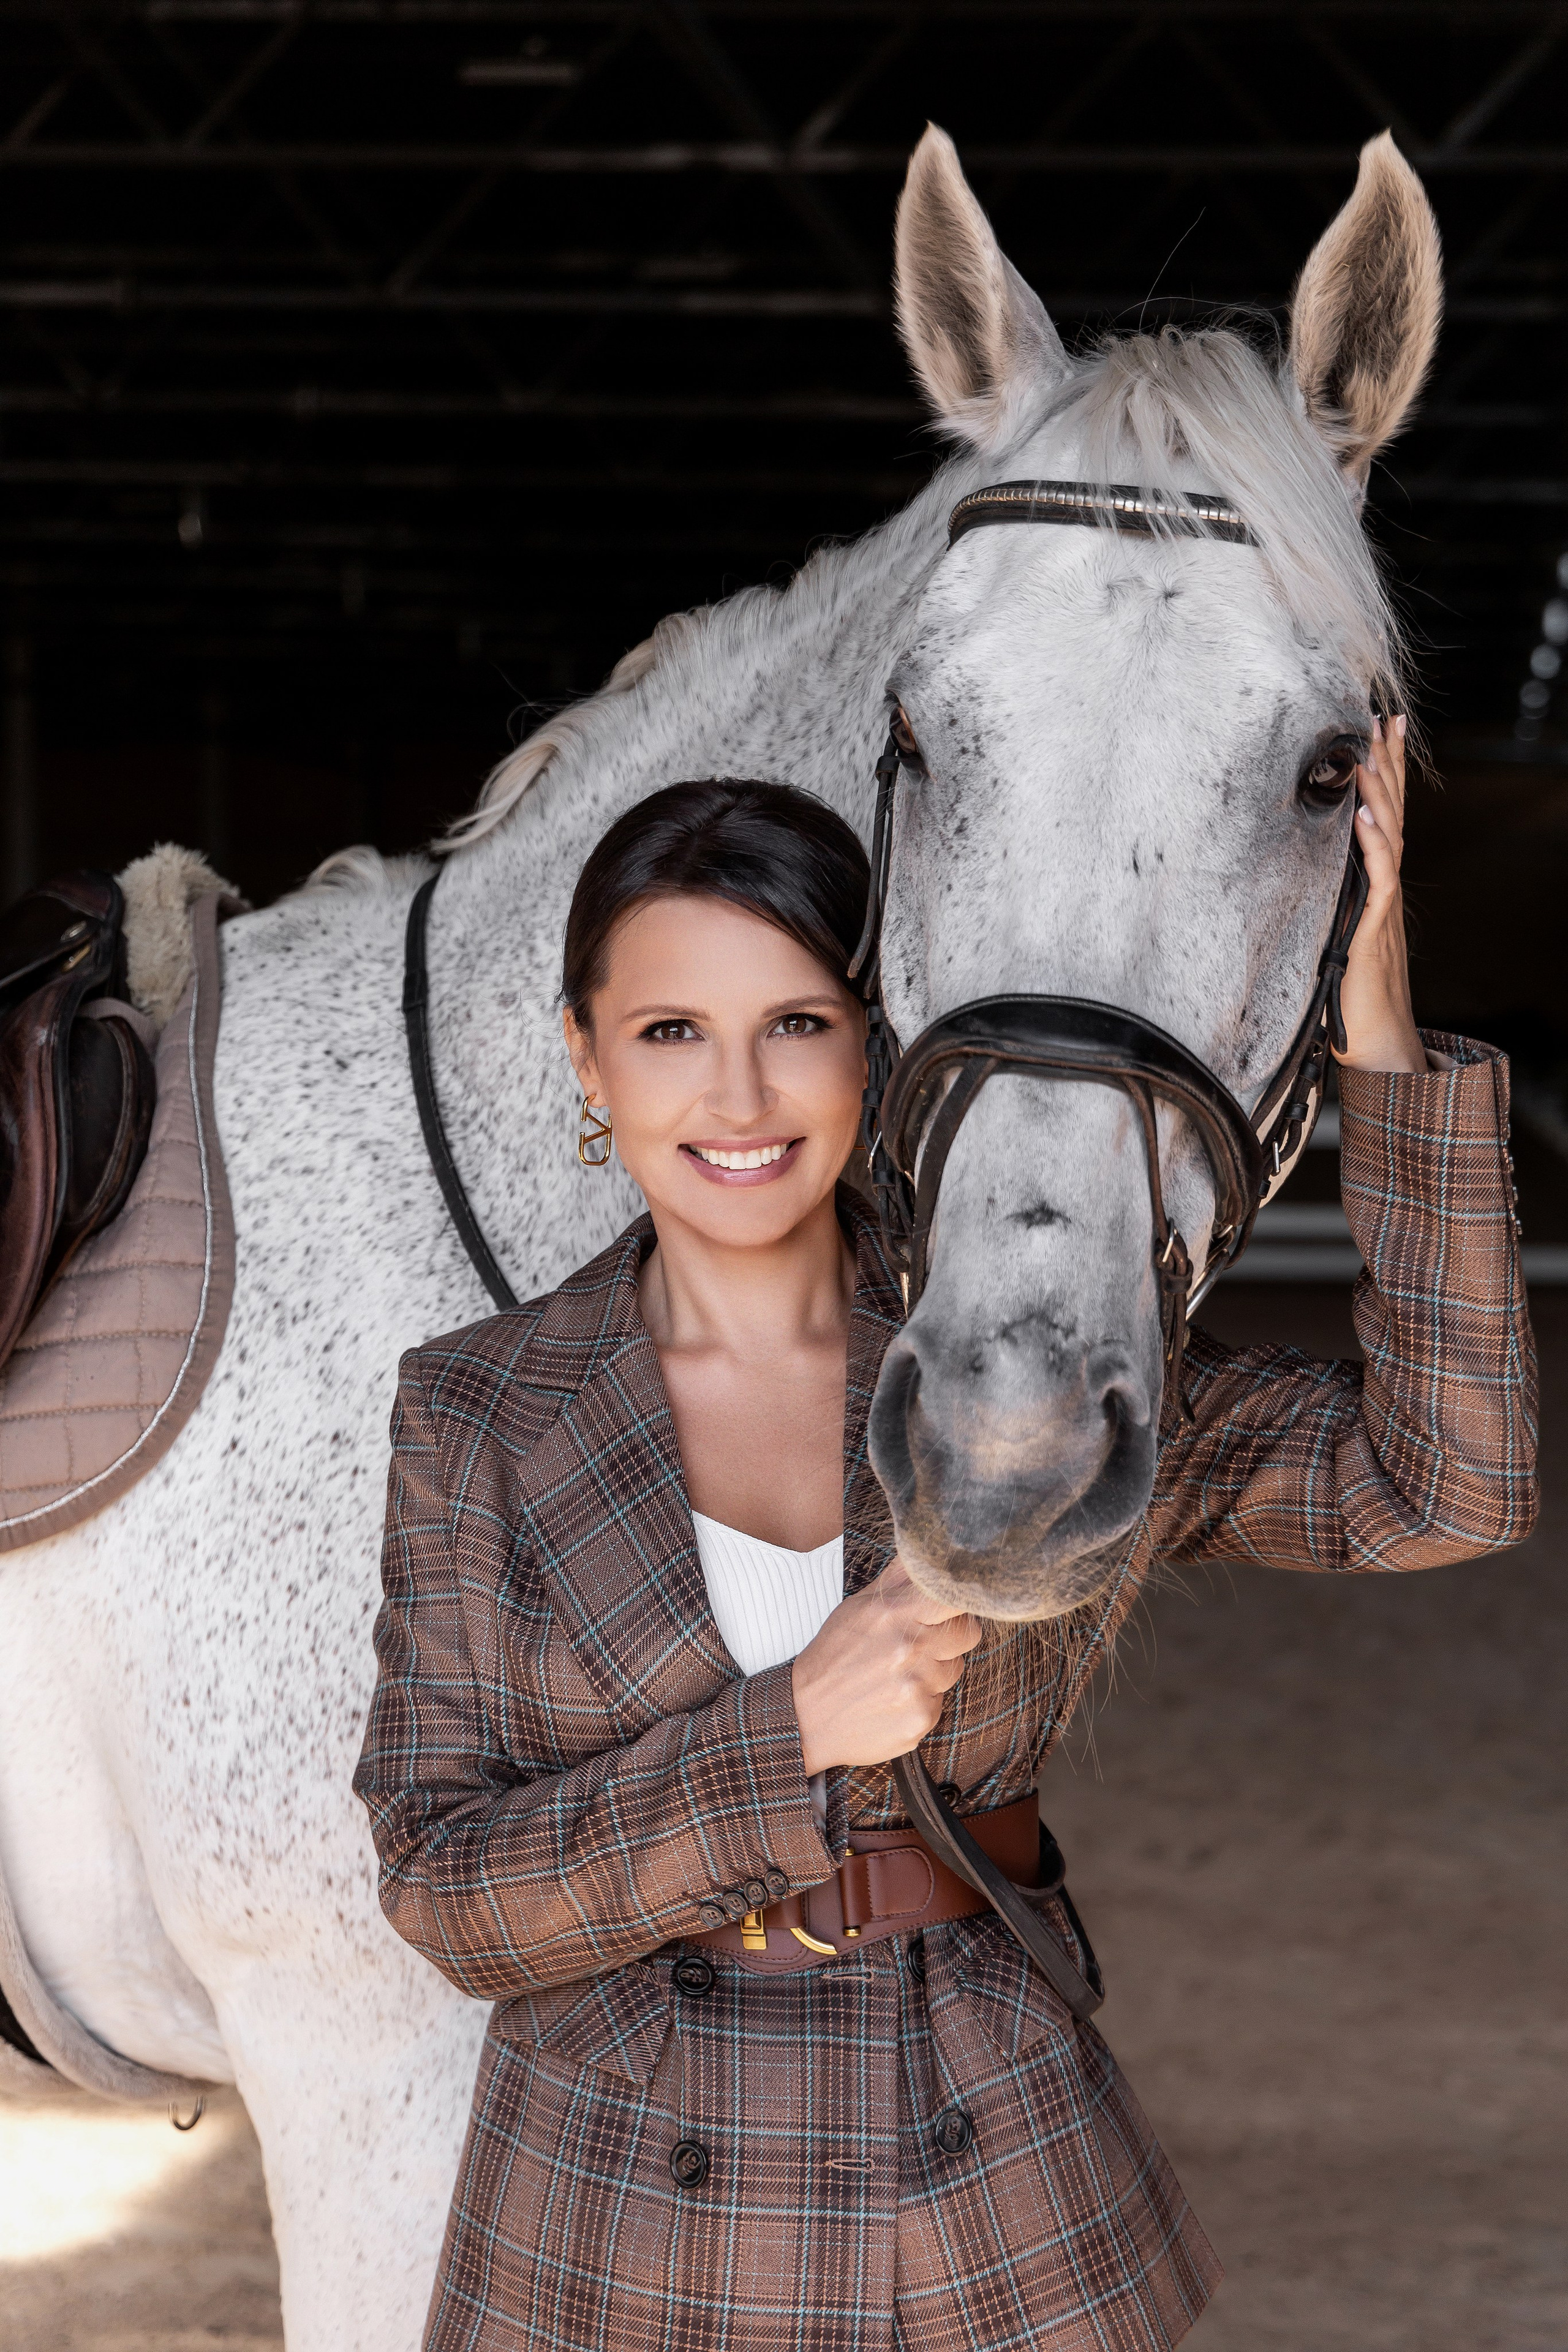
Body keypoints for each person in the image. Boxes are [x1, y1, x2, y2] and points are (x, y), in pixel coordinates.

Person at [355, 722, 1536, 2351]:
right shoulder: (477, 1412)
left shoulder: (1024, 1363)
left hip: (978, 2193)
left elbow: (1446, 1479)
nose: (742, 1096)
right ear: (587, 1059)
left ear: (880, 1042)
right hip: (616, 2211)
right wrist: (787, 1742)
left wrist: (1380, 1037)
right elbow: (444, 1889)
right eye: (673, 1031)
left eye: (798, 1025)